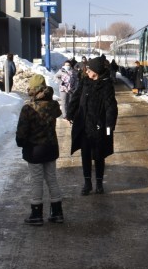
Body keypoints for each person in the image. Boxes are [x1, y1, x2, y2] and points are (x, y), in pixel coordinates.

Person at [16, 74, 64, 224]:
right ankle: (57, 213)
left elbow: (21, 133)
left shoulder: (28, 108)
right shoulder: (53, 105)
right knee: (52, 179)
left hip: (34, 150)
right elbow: (58, 112)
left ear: (33, 89)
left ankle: (36, 214)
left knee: (36, 181)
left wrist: (21, 142)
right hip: (50, 148)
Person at [69, 55, 118, 195]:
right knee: (85, 155)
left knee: (99, 156)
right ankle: (87, 183)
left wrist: (109, 127)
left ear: (96, 71)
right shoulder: (85, 82)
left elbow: (111, 108)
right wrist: (70, 114)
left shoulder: (106, 85)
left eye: (89, 70)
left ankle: (99, 184)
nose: (87, 72)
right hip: (84, 126)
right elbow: (76, 98)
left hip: (99, 127)